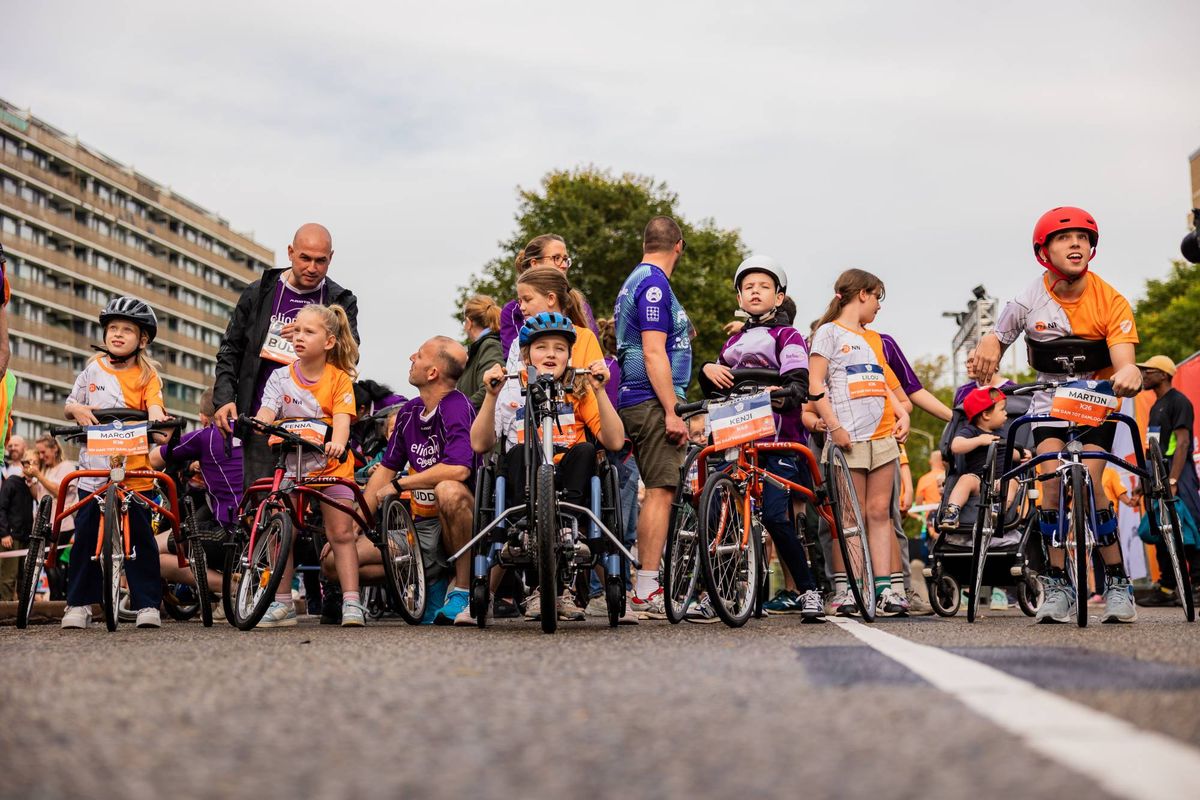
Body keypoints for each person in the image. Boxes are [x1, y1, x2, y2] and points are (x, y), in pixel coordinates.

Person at [971, 206, 1143, 624]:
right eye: (1065, 238)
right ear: (1044, 251)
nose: (1076, 244)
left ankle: (1117, 582)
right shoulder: (1029, 299)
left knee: (1093, 486)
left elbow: (1125, 362)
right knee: (1049, 487)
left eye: (1083, 238)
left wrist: (1130, 372)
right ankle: (1057, 584)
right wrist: (990, 344)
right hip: (1048, 403)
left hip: (1095, 403)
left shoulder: (1111, 300)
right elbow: (997, 336)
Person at [473, 313, 626, 624]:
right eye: (542, 347)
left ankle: (568, 529)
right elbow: (479, 443)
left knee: (586, 450)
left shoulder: (579, 389)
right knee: (517, 452)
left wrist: (599, 391)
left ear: (570, 356)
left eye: (560, 348)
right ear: (527, 355)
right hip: (525, 483)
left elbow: (614, 441)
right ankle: (522, 533)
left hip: (570, 481)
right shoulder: (511, 390)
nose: (551, 354)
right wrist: (490, 395)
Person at [697, 255, 823, 620]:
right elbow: (716, 387)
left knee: (775, 516)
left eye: (764, 286)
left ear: (779, 297)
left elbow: (798, 384)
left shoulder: (788, 336)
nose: (755, 292)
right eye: (748, 287)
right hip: (736, 437)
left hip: (778, 438)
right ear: (739, 297)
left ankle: (809, 590)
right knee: (716, 510)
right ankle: (718, 593)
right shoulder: (732, 343)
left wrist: (779, 393)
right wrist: (707, 370)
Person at [213, 223, 359, 492]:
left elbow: (350, 355)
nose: (312, 268)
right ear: (290, 252)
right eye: (305, 258)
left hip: (318, 427)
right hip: (264, 419)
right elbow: (230, 350)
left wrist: (312, 339)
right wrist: (223, 399)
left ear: (331, 258)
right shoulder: (259, 292)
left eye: (321, 261)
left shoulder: (341, 299)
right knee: (260, 502)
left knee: (311, 507)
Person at [250, 304, 362, 628]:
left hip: (331, 467)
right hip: (292, 465)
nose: (299, 336)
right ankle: (283, 602)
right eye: (296, 330)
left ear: (328, 342)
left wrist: (337, 442)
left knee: (340, 533)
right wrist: (260, 422)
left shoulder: (339, 379)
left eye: (308, 332)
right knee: (280, 528)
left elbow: (342, 421)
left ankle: (352, 601)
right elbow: (268, 410)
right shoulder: (279, 377)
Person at [61, 297, 169, 629]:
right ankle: (79, 603)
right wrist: (77, 410)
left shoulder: (148, 375)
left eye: (127, 330)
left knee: (141, 538)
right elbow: (70, 404)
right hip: (94, 469)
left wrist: (157, 420)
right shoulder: (92, 369)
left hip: (133, 471)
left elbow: (155, 407)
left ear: (143, 340)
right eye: (113, 329)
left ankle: (147, 603)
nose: (118, 334)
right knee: (85, 536)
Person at [808, 269, 911, 616]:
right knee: (849, 516)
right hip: (847, 439)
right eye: (877, 297)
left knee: (880, 513)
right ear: (862, 294)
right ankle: (850, 588)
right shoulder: (828, 332)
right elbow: (816, 386)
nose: (879, 306)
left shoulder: (875, 338)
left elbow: (881, 382)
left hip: (882, 436)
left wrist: (902, 413)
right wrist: (834, 427)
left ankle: (884, 589)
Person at [354, 337, 476, 626]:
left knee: (448, 491)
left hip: (456, 524)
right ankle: (426, 578)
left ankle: (462, 590)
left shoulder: (457, 406)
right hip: (417, 529)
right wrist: (354, 525)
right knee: (337, 561)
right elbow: (385, 470)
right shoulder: (409, 411)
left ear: (432, 372)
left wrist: (402, 484)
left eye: (419, 356)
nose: (411, 358)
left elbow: (459, 469)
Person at [614, 216, 693, 618]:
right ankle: (646, 588)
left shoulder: (637, 280)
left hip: (639, 399)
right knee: (661, 490)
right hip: (649, 401)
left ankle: (642, 584)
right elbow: (652, 351)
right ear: (678, 245)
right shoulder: (654, 284)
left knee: (654, 491)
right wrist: (672, 411)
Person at [148, 389, 242, 604]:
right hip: (264, 531)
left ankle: (235, 588)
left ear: (203, 418)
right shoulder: (253, 433)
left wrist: (166, 437)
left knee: (149, 550)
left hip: (228, 532)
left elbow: (153, 459)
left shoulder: (206, 436)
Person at [1135, 354, 1200, 607]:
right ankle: (1167, 588)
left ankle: (1197, 585)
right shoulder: (1156, 406)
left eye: (1149, 371)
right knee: (1162, 529)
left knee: (1189, 528)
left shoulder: (1179, 401)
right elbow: (1152, 447)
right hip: (1158, 474)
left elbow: (1182, 443)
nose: (1144, 375)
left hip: (1177, 472)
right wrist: (1145, 481)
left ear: (1163, 375)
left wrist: (1173, 479)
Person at [498, 235, 598, 355]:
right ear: (534, 263)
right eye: (556, 258)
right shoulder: (513, 311)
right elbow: (514, 358)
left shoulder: (580, 304)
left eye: (565, 259)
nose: (564, 265)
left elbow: (593, 352)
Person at [940, 388, 1010, 527]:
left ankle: (999, 509)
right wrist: (979, 440)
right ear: (986, 415)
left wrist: (1022, 453)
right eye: (1002, 409)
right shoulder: (971, 430)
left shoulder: (1002, 433)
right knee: (966, 479)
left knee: (1012, 481)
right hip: (978, 481)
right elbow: (956, 446)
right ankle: (952, 511)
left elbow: (1010, 452)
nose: (1006, 413)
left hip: (999, 482)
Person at [0, 450, 35, 599]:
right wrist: (4, 533)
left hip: (25, 537)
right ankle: (4, 608)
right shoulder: (12, 482)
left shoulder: (30, 486)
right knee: (8, 577)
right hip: (11, 538)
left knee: (23, 577)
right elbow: (1, 507)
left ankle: (20, 608)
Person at [460, 295, 505, 410]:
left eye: (464, 322)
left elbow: (490, 387)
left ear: (469, 323)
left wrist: (459, 410)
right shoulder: (483, 347)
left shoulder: (490, 345)